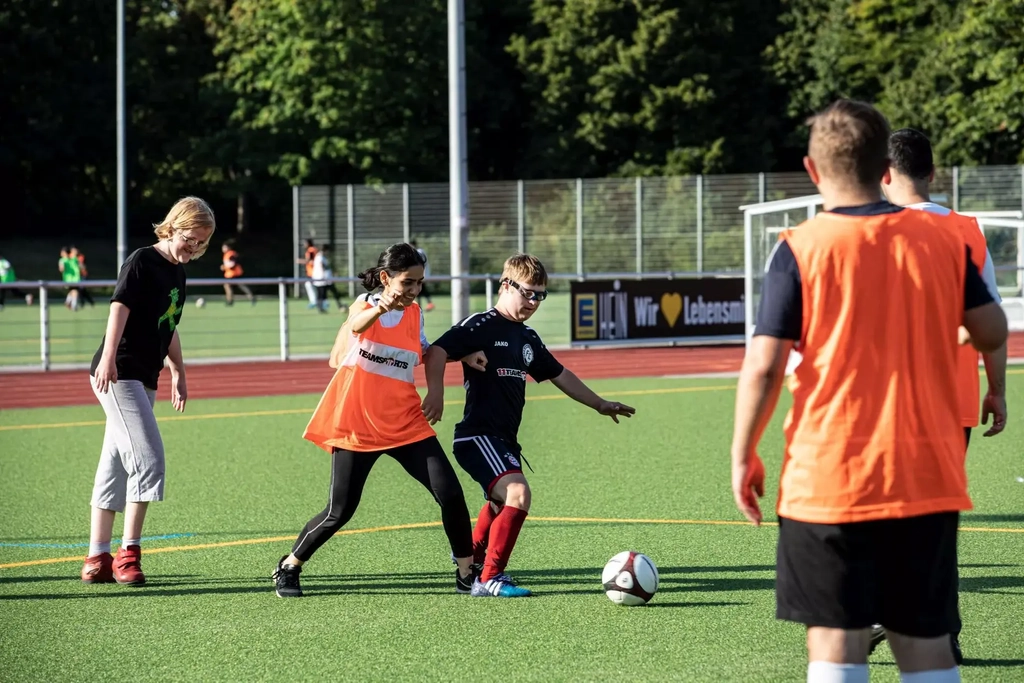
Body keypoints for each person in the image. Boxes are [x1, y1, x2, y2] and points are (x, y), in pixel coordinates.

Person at [730, 99, 1008, 683]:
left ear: (811, 170)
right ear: (887, 166)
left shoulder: (799, 248)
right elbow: (992, 328)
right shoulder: (941, 240)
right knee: (926, 643)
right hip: (925, 474)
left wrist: (744, 452)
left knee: (836, 643)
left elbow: (762, 367)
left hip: (827, 476)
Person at [271, 243, 481, 598]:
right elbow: (355, 326)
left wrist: (450, 372)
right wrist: (380, 307)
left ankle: (465, 573)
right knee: (340, 512)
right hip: (358, 425)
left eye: (420, 283)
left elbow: (426, 352)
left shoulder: (415, 315)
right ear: (386, 278)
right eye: (407, 282)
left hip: (405, 422)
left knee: (451, 494)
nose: (414, 290)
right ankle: (290, 565)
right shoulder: (367, 305)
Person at [873, 127, 1010, 664]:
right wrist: (996, 390)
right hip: (953, 401)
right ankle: (937, 630)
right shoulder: (968, 231)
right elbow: (992, 322)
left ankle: (882, 612)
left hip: (887, 401)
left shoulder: (873, 231)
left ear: (885, 174)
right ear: (934, 174)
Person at [422, 253, 636, 598]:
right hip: (477, 436)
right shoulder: (480, 325)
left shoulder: (527, 337)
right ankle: (490, 577)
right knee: (518, 493)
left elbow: (559, 374)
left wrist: (599, 403)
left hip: (504, 440)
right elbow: (434, 352)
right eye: (528, 292)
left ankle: (471, 559)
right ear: (506, 285)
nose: (534, 301)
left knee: (498, 503)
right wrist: (436, 394)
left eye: (541, 295)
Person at [81, 196, 216, 586]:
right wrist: (108, 358)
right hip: (118, 373)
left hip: (145, 377)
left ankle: (97, 556)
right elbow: (118, 307)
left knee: (114, 465)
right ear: (172, 227)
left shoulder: (179, 272)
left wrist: (179, 372)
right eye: (191, 238)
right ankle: (129, 553)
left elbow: (167, 324)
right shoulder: (142, 260)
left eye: (202, 242)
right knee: (149, 459)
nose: (195, 247)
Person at [312, 243, 345, 312]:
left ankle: (340, 305)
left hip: (326, 279)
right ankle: (321, 308)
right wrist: (324, 275)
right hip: (322, 279)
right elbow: (321, 266)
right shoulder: (320, 257)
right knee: (321, 294)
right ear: (326, 250)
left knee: (332, 292)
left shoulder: (322, 256)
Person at [220, 239, 255, 305]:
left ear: (228, 247)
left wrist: (224, 267)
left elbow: (233, 264)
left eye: (224, 247)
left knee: (230, 286)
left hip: (234, 274)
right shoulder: (227, 254)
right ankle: (251, 297)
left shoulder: (230, 254)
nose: (223, 248)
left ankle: (230, 300)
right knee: (231, 286)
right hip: (231, 274)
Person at [410, 240, 434, 311]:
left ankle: (420, 306)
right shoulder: (421, 251)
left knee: (419, 290)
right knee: (421, 290)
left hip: (422, 274)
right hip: (423, 274)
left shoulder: (418, 252)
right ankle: (427, 304)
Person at [297, 238, 320, 308]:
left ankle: (314, 301)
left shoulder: (311, 250)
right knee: (312, 285)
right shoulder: (313, 250)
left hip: (313, 272)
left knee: (309, 285)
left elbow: (309, 260)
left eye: (305, 243)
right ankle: (317, 301)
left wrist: (299, 261)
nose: (304, 244)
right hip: (313, 272)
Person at [59, 246, 81, 311]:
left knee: (73, 291)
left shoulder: (73, 259)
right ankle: (73, 305)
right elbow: (61, 268)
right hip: (68, 279)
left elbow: (76, 254)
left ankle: (68, 302)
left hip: (75, 279)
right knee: (74, 291)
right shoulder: (63, 260)